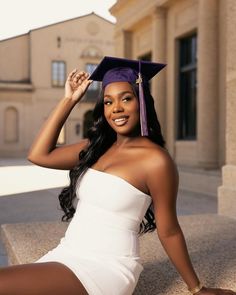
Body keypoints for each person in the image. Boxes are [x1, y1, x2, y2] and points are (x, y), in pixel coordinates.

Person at [0, 56, 235, 295]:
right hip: (67, 253)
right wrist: (69, 100)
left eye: (126, 98)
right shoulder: (96, 147)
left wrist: (196, 288)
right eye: (108, 102)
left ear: (141, 102)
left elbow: (169, 230)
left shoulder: (156, 161)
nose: (117, 109)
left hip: (105, 267)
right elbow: (39, 155)